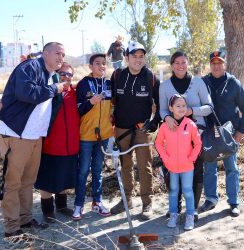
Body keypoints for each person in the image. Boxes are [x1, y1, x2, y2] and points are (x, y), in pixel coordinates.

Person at [0, 42, 67, 237]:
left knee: (28, 181)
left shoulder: (51, 75)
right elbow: (27, 94)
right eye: (57, 53)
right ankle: (12, 228)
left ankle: (25, 220)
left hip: (35, 136)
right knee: (12, 182)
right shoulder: (29, 67)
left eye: (64, 55)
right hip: (16, 133)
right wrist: (55, 89)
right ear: (45, 53)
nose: (61, 57)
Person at [109, 41, 161, 221]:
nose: (138, 60)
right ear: (126, 58)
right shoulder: (117, 75)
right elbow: (110, 101)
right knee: (125, 166)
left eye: (141, 56)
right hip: (122, 129)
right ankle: (126, 200)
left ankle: (147, 203)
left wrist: (155, 122)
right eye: (134, 56)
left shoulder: (150, 77)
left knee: (145, 167)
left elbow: (161, 103)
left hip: (142, 129)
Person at [159, 51, 212, 219]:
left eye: (183, 62)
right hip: (174, 134)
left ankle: (193, 208)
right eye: (177, 63)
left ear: (188, 63)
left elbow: (209, 107)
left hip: (196, 132)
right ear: (172, 65)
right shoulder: (164, 86)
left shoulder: (198, 82)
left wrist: (191, 111)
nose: (180, 66)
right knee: (172, 169)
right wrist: (167, 117)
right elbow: (162, 109)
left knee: (196, 170)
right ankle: (175, 207)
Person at [200, 51, 244, 217]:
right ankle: (210, 199)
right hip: (209, 133)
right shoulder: (203, 83)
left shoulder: (233, 83)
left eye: (219, 62)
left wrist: (241, 131)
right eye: (213, 63)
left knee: (232, 168)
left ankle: (234, 201)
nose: (216, 66)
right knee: (209, 168)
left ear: (225, 64)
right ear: (210, 65)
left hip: (229, 133)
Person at [34, 62, 80, 222]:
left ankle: (61, 206)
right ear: (56, 74)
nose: (66, 77)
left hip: (71, 146)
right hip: (50, 146)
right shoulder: (49, 93)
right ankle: (47, 210)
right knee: (47, 181)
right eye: (62, 73)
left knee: (65, 179)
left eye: (69, 74)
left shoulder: (76, 93)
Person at [72, 53, 113, 220]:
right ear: (90, 66)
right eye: (97, 63)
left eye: (104, 63)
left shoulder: (109, 84)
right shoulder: (83, 84)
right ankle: (78, 205)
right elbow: (78, 110)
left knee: (98, 170)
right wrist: (91, 102)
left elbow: (113, 108)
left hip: (104, 135)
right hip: (87, 135)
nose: (101, 66)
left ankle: (97, 202)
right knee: (83, 171)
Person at [155, 94, 202, 230]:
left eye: (183, 106)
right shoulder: (165, 126)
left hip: (187, 166)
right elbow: (158, 143)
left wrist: (191, 158)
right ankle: (173, 214)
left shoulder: (190, 124)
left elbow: (198, 144)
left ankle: (190, 216)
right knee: (173, 191)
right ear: (171, 108)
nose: (181, 108)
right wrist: (165, 158)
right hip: (171, 166)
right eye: (178, 106)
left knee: (188, 190)